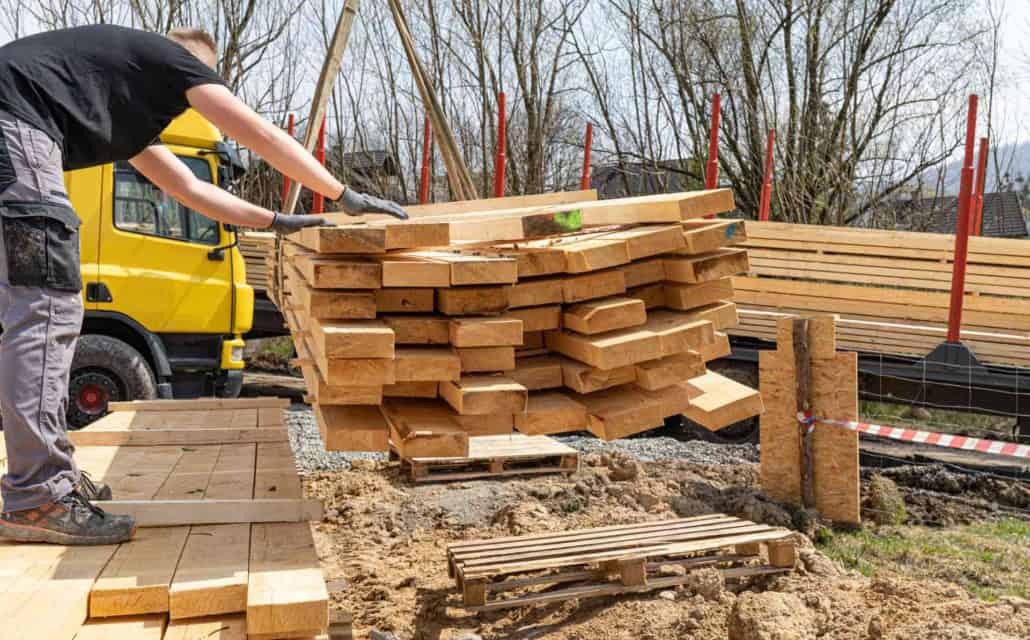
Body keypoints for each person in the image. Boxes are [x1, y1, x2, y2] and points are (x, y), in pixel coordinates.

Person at [0, 24, 407, 545]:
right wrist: (340, 192)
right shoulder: (170, 60)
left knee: (35, 310)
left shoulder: (124, 105)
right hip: (13, 125)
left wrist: (275, 222)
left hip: (14, 124)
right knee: (48, 309)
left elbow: (189, 188)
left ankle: (47, 480)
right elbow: (259, 133)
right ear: (191, 65)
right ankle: (38, 496)